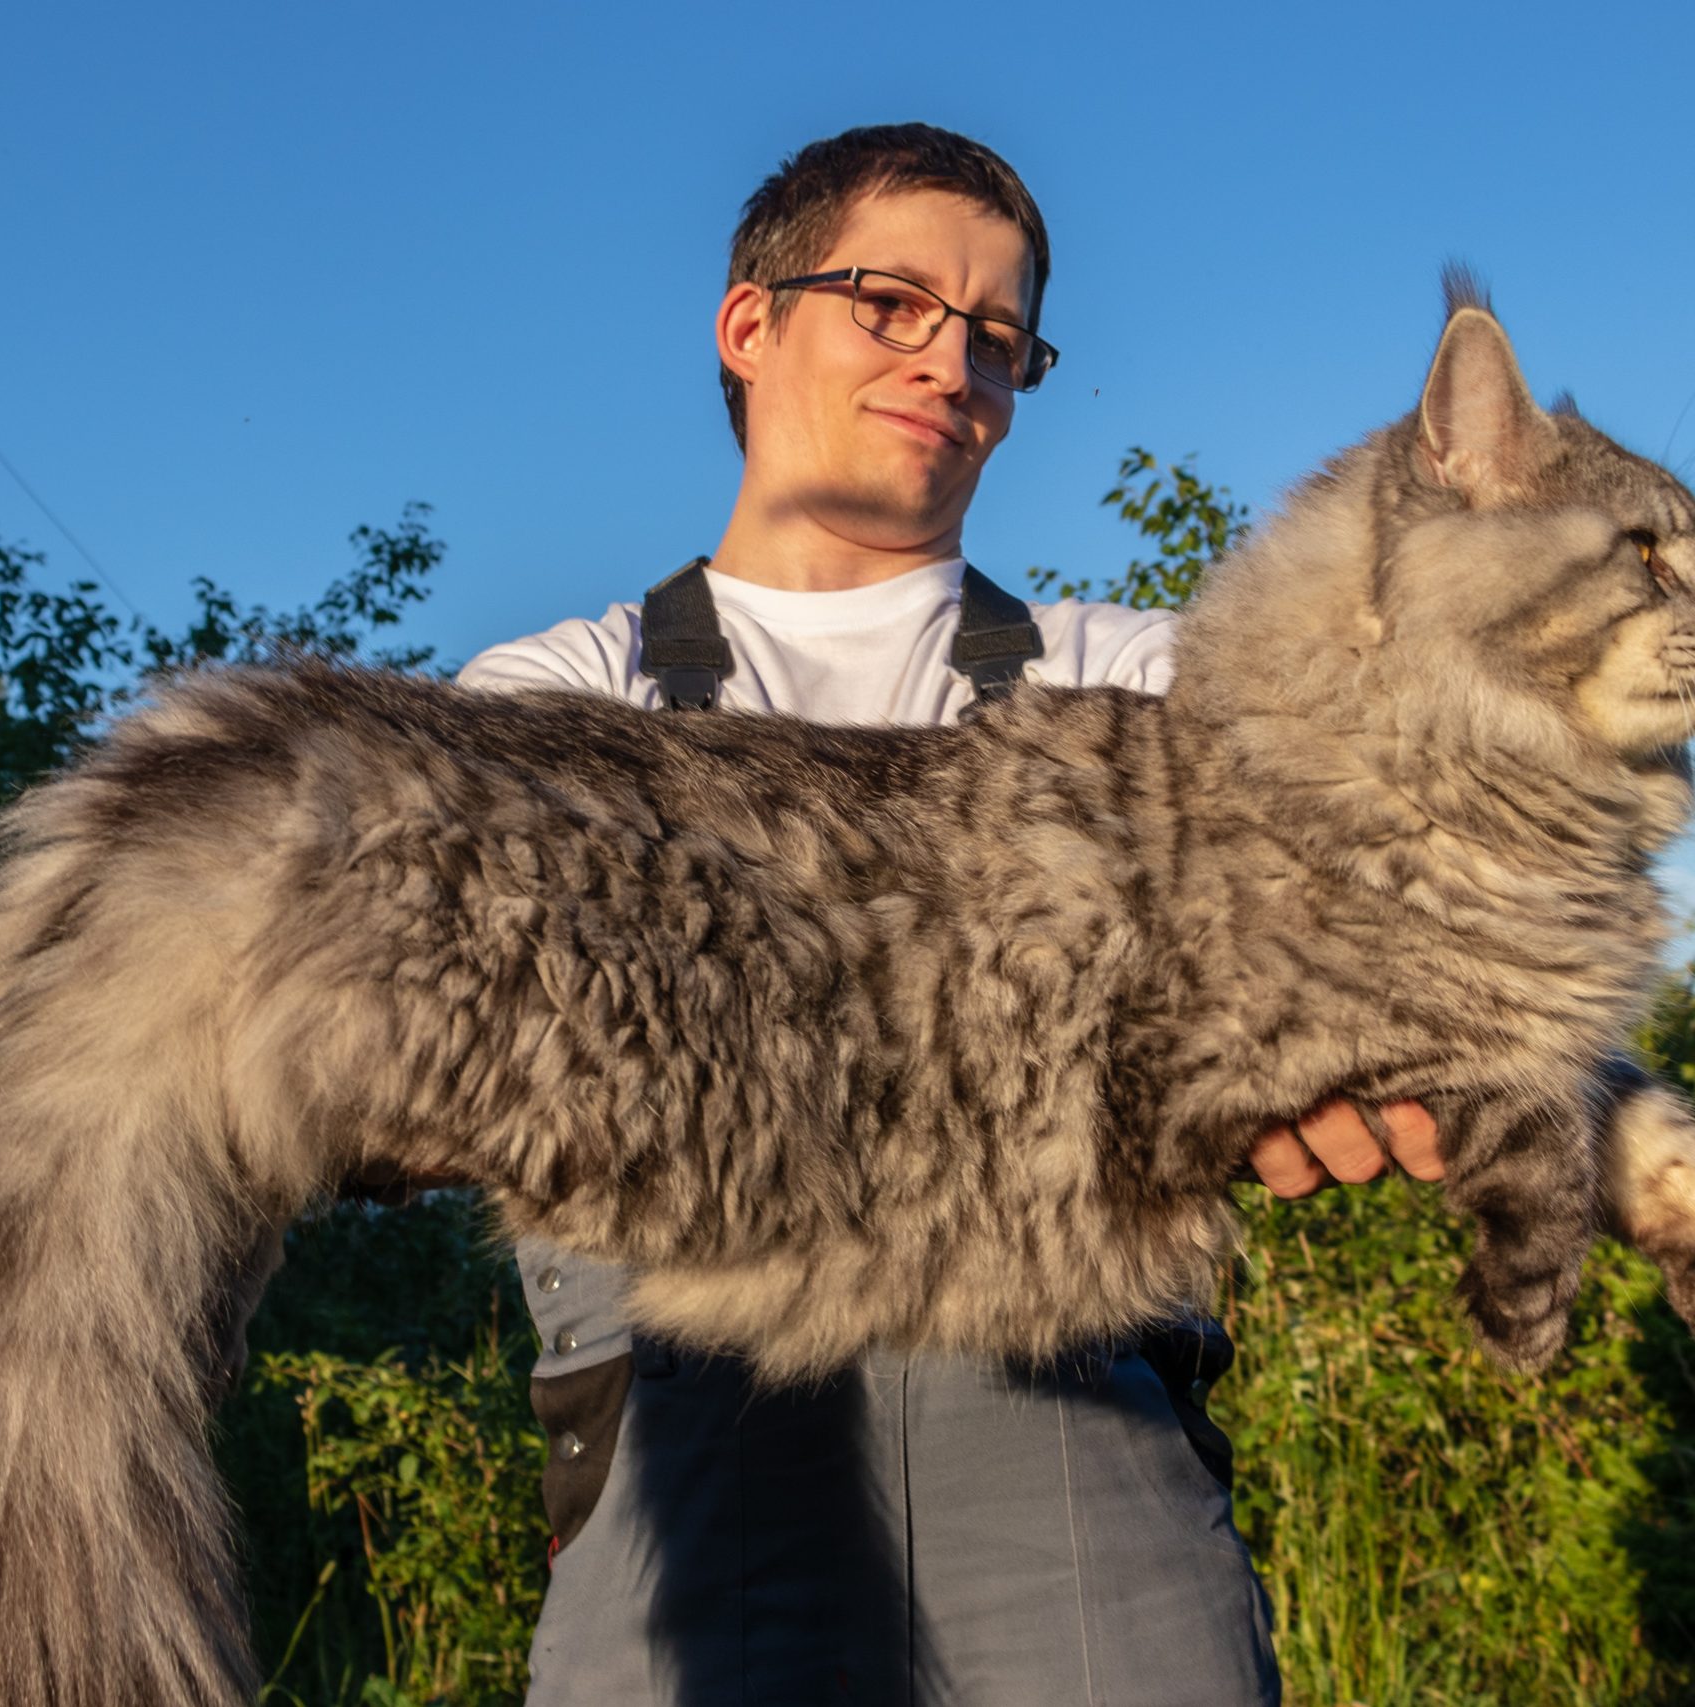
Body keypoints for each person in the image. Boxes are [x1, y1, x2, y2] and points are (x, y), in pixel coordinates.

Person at [456, 122, 1444, 1707]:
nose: (954, 363)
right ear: (748, 323)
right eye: (893, 304)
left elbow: (1356, 918)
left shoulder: (1138, 676)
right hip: (681, 1474)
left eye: (998, 335)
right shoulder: (551, 700)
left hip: (1086, 1459)